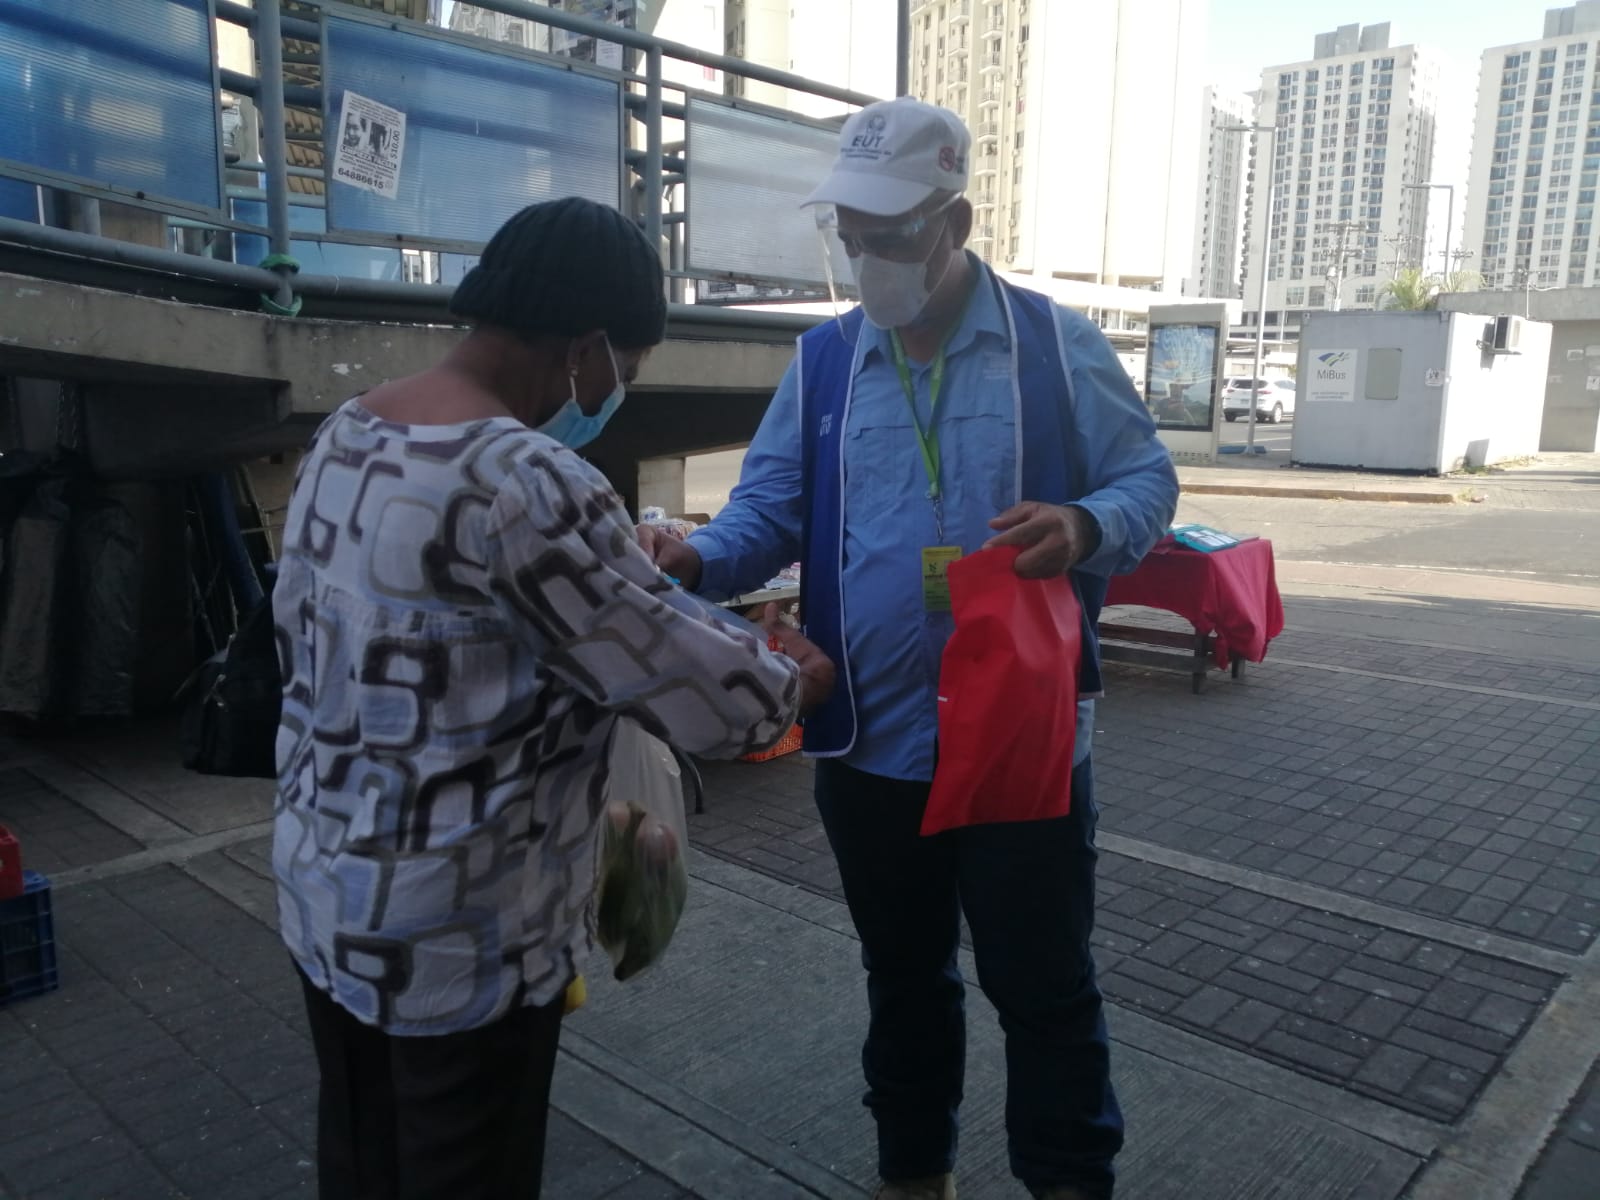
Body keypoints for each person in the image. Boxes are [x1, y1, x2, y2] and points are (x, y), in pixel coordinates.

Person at [641, 99, 1179, 1200]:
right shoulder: (826, 361)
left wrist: (1085, 524)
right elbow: (767, 514)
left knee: (1044, 987)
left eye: (889, 234)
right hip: (872, 739)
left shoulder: (1051, 344)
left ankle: (1070, 1181)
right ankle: (912, 1175)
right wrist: (692, 557)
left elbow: (1147, 480)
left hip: (1021, 742)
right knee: (902, 975)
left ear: (955, 221)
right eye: (851, 235)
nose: (868, 259)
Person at [271, 196, 834, 1200]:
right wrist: (794, 677)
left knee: (364, 1159)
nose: (617, 393)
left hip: (329, 897)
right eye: (628, 369)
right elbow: (711, 700)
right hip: (461, 936)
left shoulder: (348, 430)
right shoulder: (525, 478)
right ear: (585, 349)